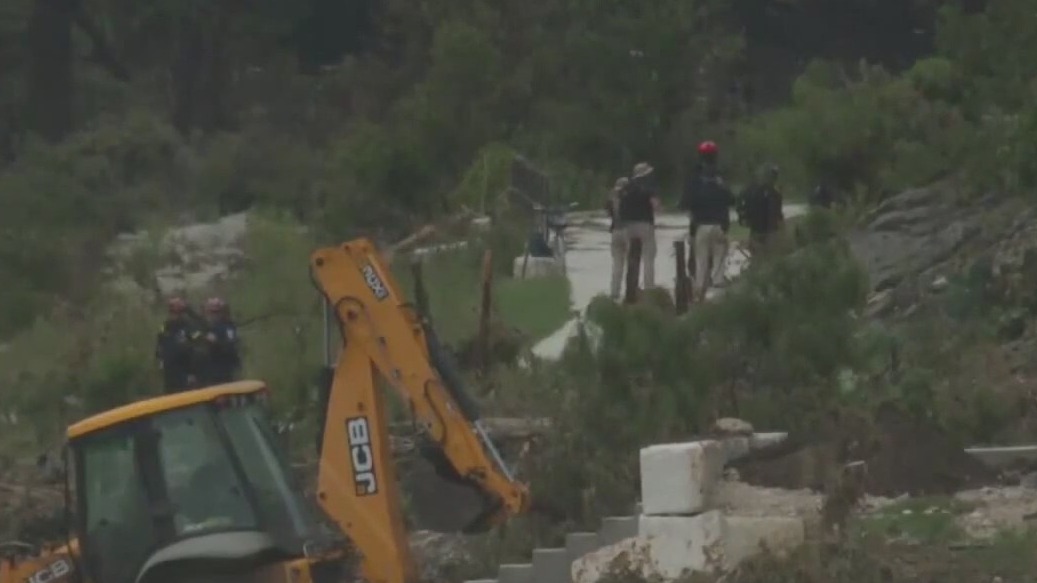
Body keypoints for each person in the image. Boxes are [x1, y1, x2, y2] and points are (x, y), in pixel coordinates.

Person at [682, 142, 735, 300]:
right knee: (719, 262)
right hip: (719, 225)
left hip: (700, 226)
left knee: (701, 263)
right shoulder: (720, 177)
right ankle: (717, 292)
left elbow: (687, 204)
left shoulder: (694, 179)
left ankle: (699, 292)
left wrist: (692, 230)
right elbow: (732, 200)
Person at [618, 162, 661, 290]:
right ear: (646, 174)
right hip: (645, 224)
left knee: (632, 258)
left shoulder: (626, 187)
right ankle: (649, 288)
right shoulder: (648, 186)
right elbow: (655, 205)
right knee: (648, 258)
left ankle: (631, 288)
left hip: (627, 226)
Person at [155, 297, 202, 393]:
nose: (174, 315)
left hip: (186, 371)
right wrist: (160, 360)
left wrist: (193, 372)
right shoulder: (165, 326)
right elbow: (160, 345)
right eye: (172, 312)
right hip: (170, 372)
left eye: (176, 312)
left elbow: (198, 345)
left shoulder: (189, 326)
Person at [738, 164, 785, 252]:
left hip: (760, 229)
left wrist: (744, 217)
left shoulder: (755, 190)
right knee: (768, 254)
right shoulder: (774, 193)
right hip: (767, 230)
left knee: (759, 254)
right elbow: (778, 213)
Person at [196, 297, 241, 386]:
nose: (214, 315)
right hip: (208, 372)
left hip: (225, 371)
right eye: (211, 312)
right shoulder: (204, 327)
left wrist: (216, 342)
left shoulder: (228, 327)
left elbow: (230, 347)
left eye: (216, 312)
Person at [606, 177, 630, 300]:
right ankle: (630, 291)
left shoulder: (611, 199)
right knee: (631, 264)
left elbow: (609, 213)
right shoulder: (629, 198)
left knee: (617, 265)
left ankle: (614, 292)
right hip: (628, 231)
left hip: (615, 231)